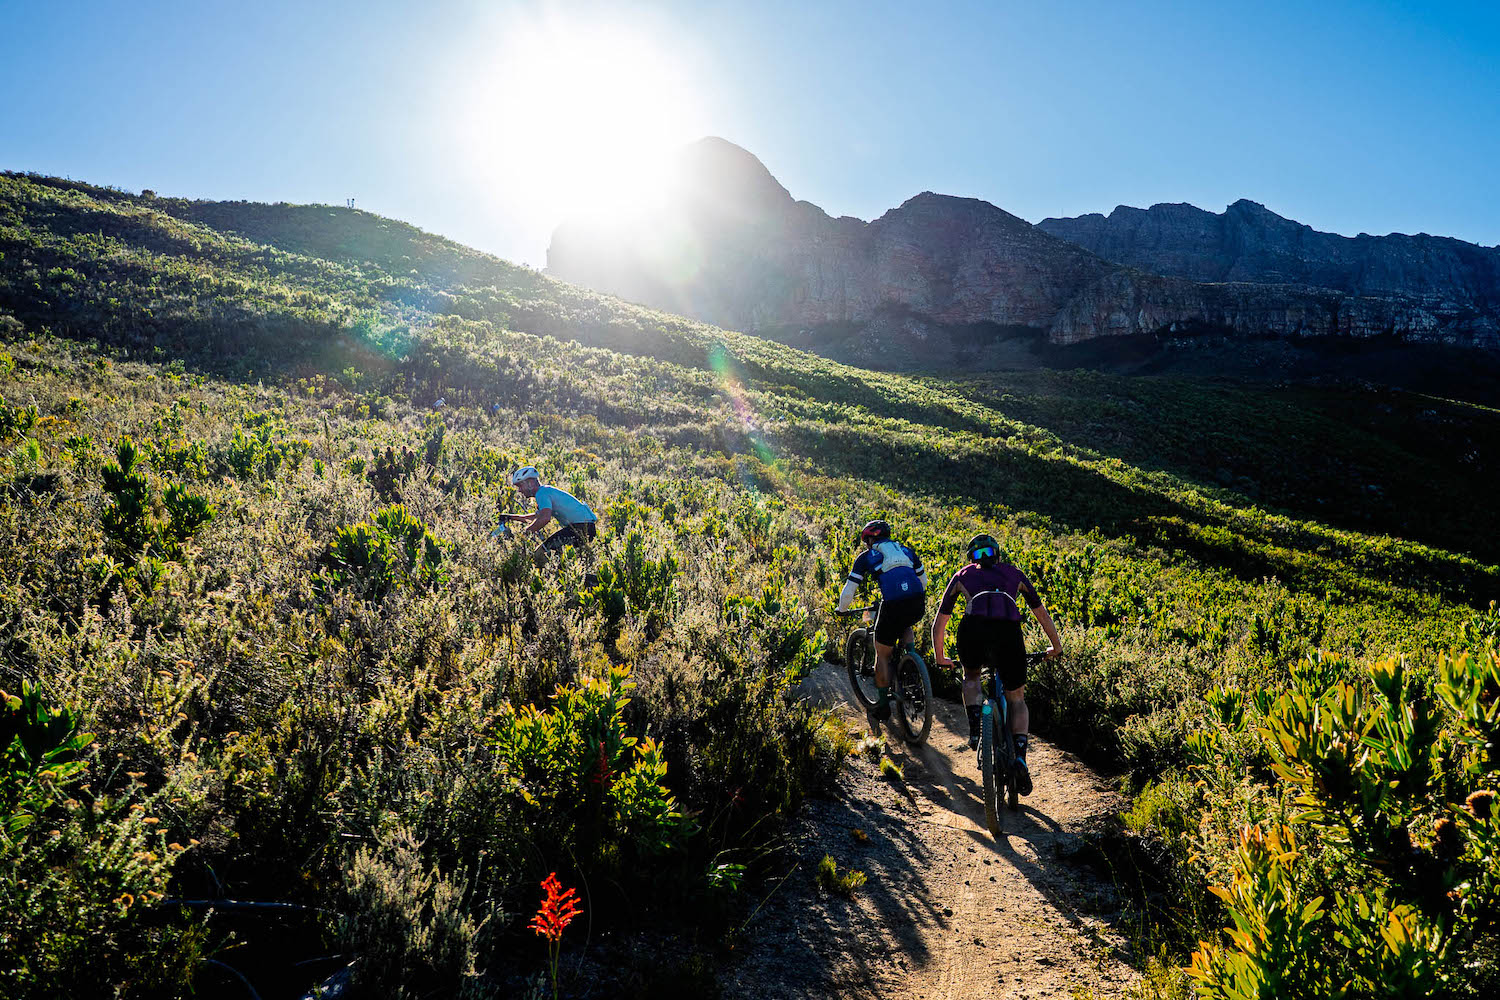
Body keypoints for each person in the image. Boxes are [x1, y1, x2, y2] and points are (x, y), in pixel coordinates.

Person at [931, 534, 1061, 796]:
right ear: (999, 554)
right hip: (1008, 635)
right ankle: (1020, 756)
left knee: (971, 676)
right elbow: (1041, 613)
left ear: (971, 558)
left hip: (973, 632)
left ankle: (975, 729)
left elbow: (940, 621)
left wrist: (940, 656)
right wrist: (1055, 647)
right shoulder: (1015, 574)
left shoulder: (962, 575)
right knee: (1017, 698)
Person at [836, 520, 929, 731]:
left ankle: (883, 706)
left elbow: (849, 590)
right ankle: (912, 664)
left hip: (893, 604)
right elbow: (923, 582)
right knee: (905, 622)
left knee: (883, 654)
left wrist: (842, 609)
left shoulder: (866, 557)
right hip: (917, 602)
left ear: (870, 540)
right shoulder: (906, 551)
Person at [498, 466, 599, 580]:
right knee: (561, 563)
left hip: (579, 528)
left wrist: (526, 533)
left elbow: (545, 518)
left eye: (520, 485)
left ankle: (551, 581)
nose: (519, 490)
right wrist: (511, 517)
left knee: (540, 554)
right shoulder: (545, 491)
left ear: (530, 483)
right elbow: (537, 516)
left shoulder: (542, 493)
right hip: (585, 528)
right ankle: (588, 582)